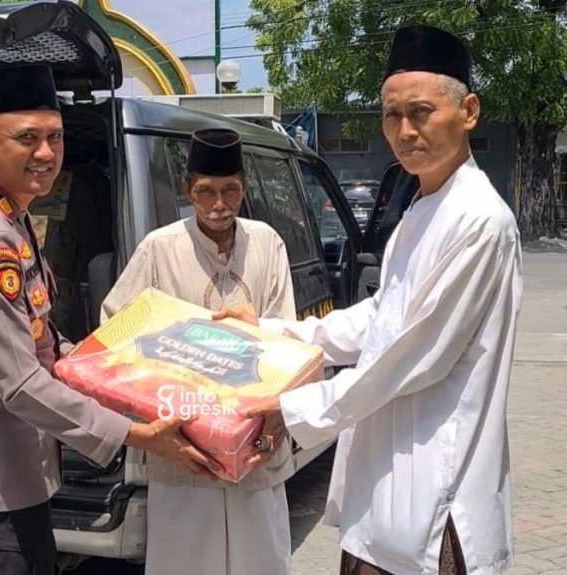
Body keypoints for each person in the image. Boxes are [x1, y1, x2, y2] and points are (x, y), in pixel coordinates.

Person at [218, 25, 523, 575]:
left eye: (422, 112)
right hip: (382, 492)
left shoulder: (480, 220)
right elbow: (380, 318)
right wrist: (270, 331)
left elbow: (410, 356)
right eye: (391, 115)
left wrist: (291, 411)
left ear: (469, 111)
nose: (404, 131)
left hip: (436, 501)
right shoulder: (419, 211)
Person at [0, 64, 214, 575]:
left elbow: (42, 338)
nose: (47, 153)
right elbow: (21, 383)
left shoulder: (9, 214)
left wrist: (118, 365)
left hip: (13, 466)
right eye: (27, 138)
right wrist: (134, 434)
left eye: (54, 136)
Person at [100, 128, 297, 575]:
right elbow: (115, 330)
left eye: (230, 191)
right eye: (205, 192)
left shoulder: (267, 243)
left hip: (256, 451)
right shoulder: (160, 249)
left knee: (261, 563)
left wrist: (274, 419)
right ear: (187, 189)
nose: (218, 205)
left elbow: (288, 342)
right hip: (185, 453)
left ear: (244, 188)